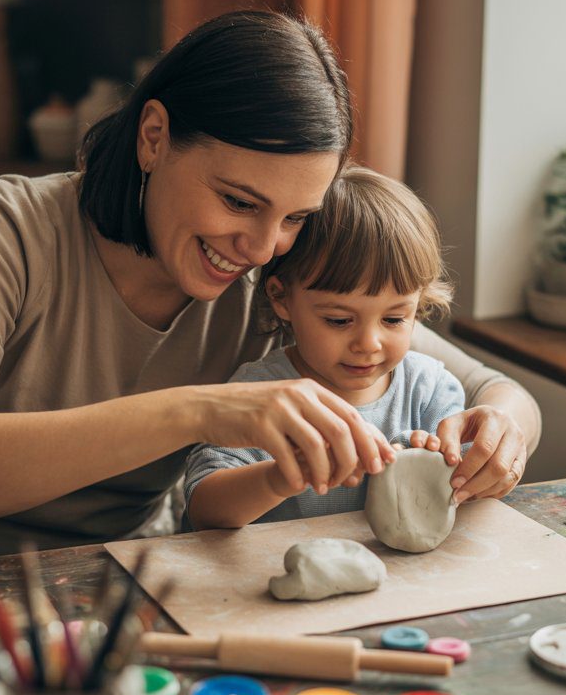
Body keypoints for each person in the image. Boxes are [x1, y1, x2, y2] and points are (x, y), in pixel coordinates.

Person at [0, 10, 541, 567]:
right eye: (239, 201)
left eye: (296, 217)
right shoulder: (7, 230)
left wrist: (501, 432)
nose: (262, 248)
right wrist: (200, 411)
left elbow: (492, 389)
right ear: (155, 137)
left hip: (115, 585)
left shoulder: (279, 276)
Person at [184, 165, 466, 530]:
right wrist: (282, 477)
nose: (368, 344)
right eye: (338, 320)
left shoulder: (428, 392)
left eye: (394, 319)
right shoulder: (258, 393)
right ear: (282, 298)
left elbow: (471, 487)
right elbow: (204, 508)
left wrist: (456, 466)